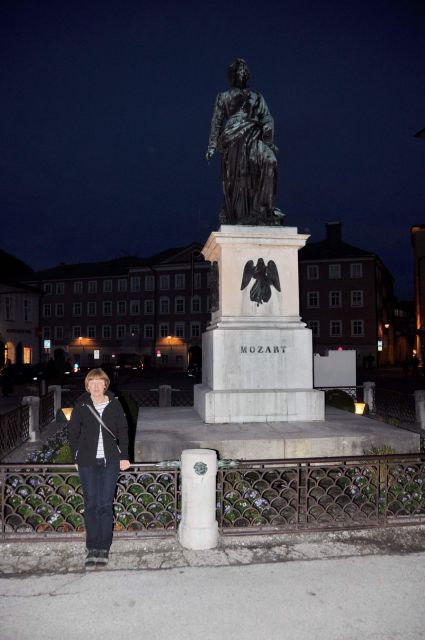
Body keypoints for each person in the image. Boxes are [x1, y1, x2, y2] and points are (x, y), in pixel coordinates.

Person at [206, 58, 283, 226]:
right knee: (240, 177)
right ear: (232, 76)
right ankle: (242, 213)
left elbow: (267, 117)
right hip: (234, 139)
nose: (241, 75)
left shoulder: (257, 97)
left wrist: (268, 139)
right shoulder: (223, 97)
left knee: (270, 161)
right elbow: (216, 121)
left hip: (256, 134)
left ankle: (263, 209)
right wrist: (212, 145)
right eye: (237, 72)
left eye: (243, 72)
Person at [68, 368, 130, 568]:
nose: (95, 386)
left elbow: (123, 430)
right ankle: (92, 546)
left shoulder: (115, 404)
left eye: (99, 382)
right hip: (87, 462)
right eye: (91, 383)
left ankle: (104, 546)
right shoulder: (82, 405)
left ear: (105, 384)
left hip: (110, 461)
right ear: (87, 386)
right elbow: (73, 433)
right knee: (91, 504)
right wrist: (75, 456)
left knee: (105, 504)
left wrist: (125, 456)